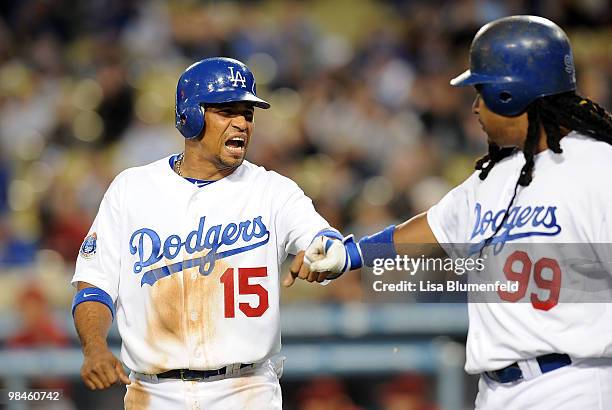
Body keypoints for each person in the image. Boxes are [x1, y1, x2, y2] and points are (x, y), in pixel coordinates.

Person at [293, 16, 612, 409]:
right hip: (496, 390)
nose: (476, 106)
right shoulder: (493, 177)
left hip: (575, 382)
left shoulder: (599, 170)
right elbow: (431, 229)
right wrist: (352, 255)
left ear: (509, 95)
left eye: (482, 91)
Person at [71, 57, 342, 410]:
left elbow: (323, 240)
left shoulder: (272, 191)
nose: (242, 123)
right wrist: (94, 347)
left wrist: (326, 253)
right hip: (155, 393)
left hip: (247, 390)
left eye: (248, 113)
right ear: (190, 116)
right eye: (228, 111)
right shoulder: (132, 189)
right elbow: (94, 282)